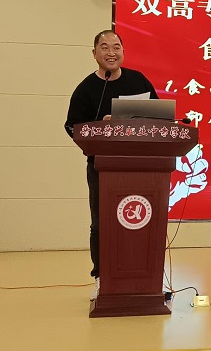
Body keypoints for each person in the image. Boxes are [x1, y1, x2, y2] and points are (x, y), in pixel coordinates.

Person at [64, 30, 158, 300]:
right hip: (101, 167)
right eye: (104, 47)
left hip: (140, 166)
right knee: (100, 224)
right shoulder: (86, 88)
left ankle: (146, 277)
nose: (111, 52)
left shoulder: (138, 80)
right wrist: (100, 127)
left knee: (141, 223)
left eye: (116, 47)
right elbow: (72, 127)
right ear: (94, 53)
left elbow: (159, 116)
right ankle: (101, 277)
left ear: (123, 52)